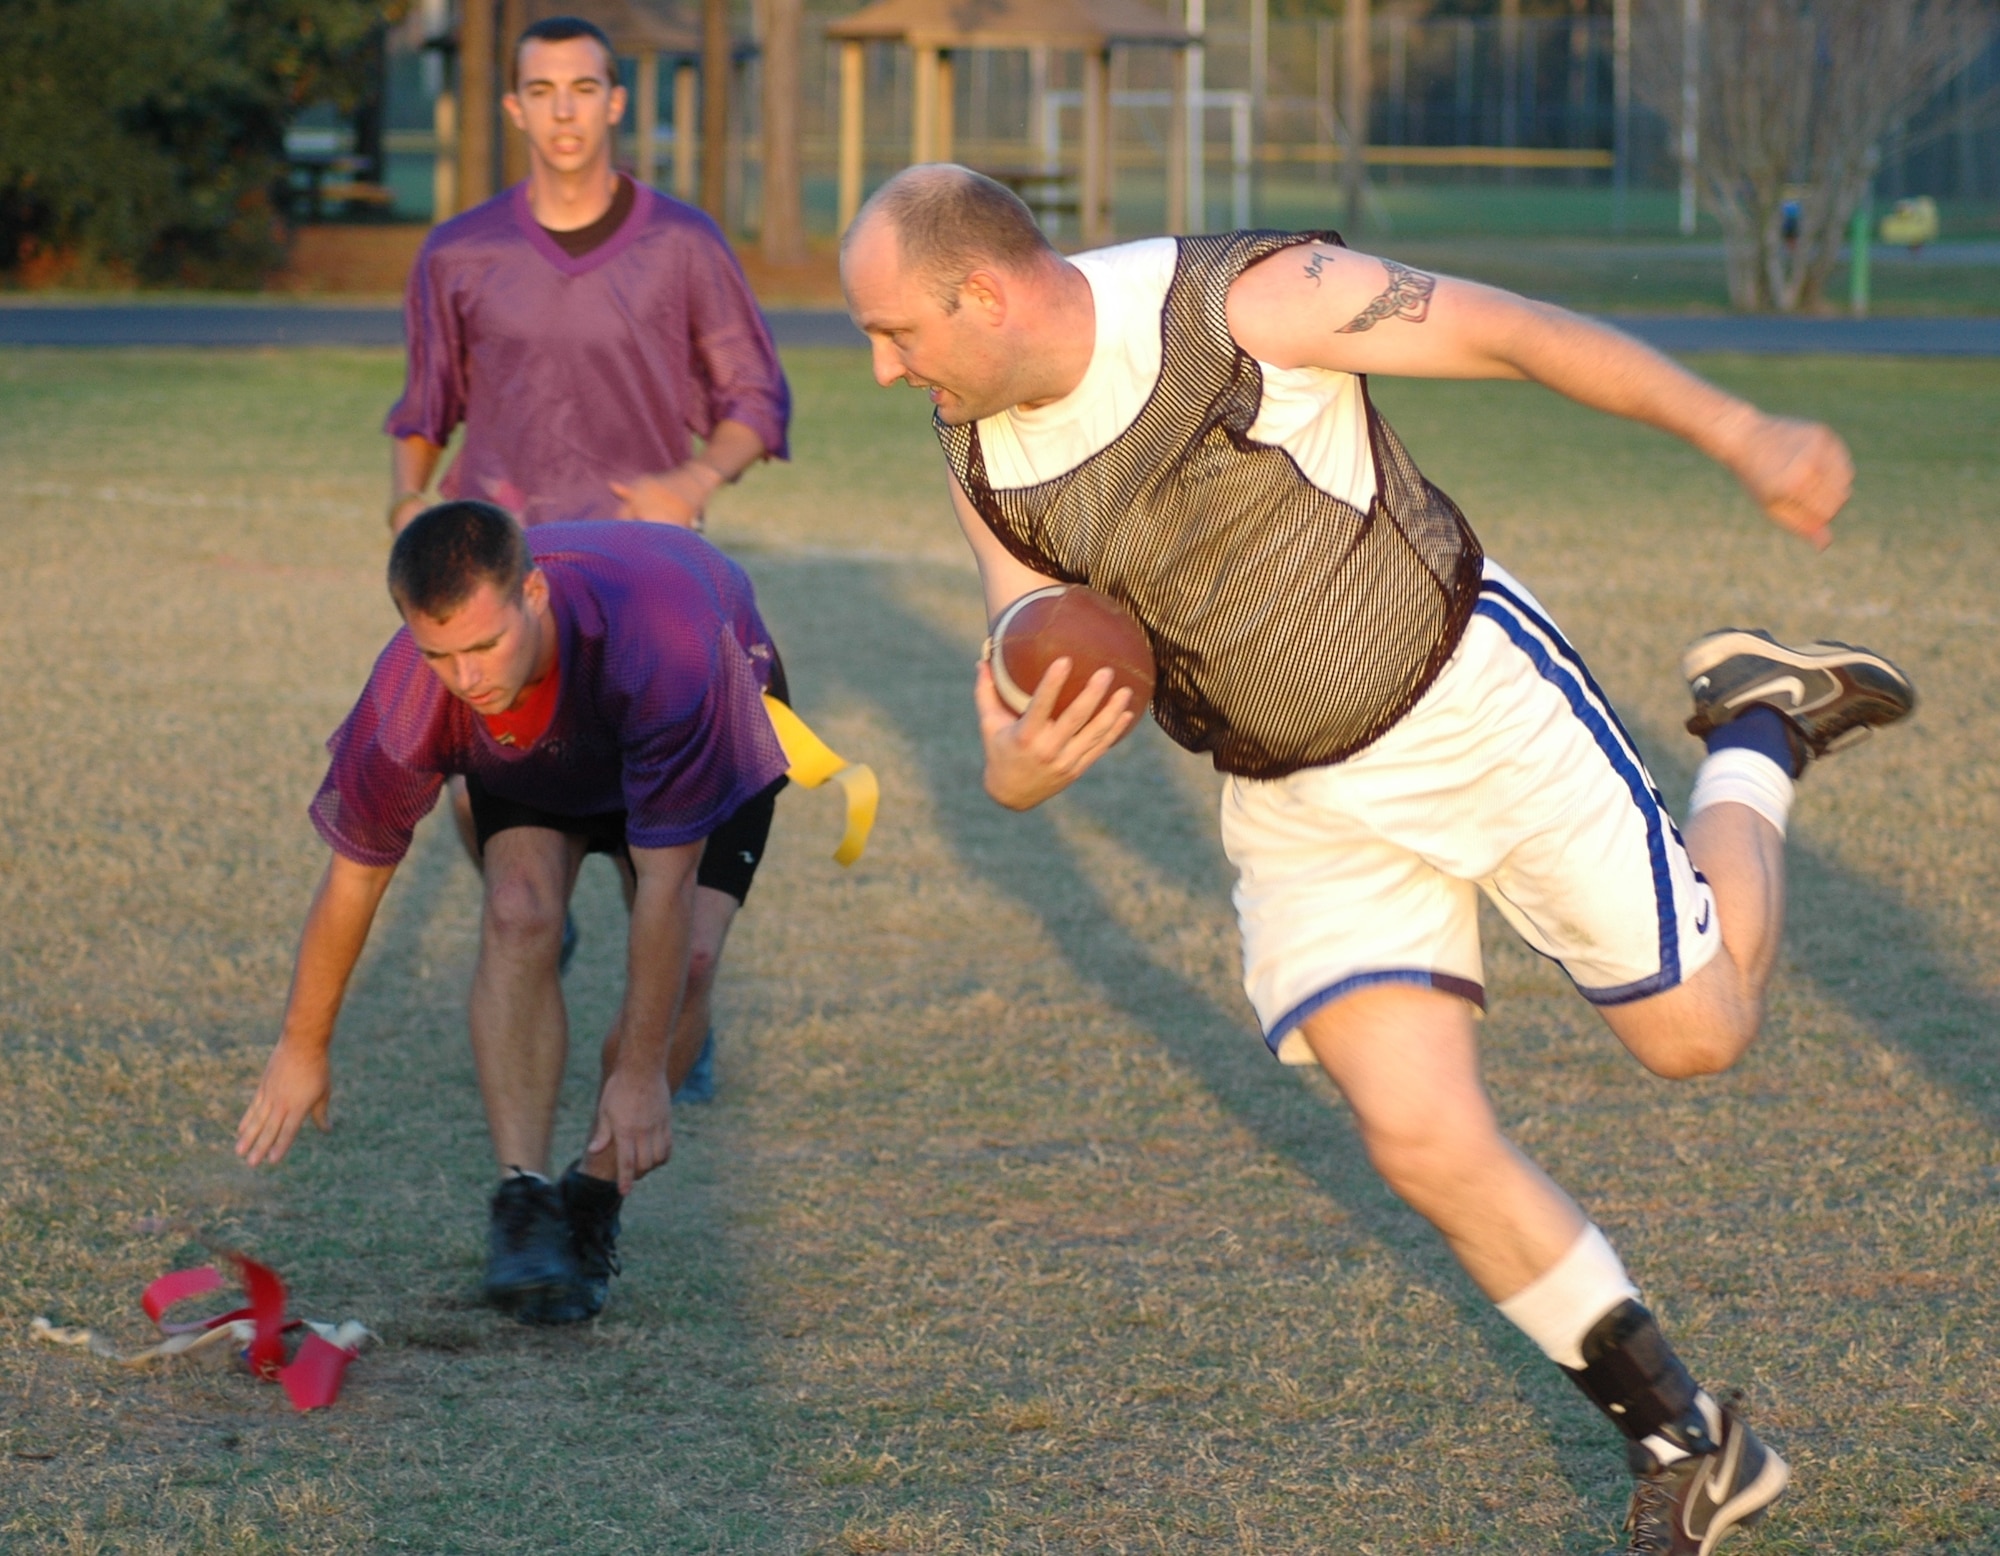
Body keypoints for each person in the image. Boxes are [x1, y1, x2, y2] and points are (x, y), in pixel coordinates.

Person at [839, 166, 1916, 1554]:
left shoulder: (1241, 304)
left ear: (977, 294)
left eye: (895, 332)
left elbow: (1511, 329)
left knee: (1700, 1037)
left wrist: (1741, 428)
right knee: (1418, 1134)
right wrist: (1014, 767)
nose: (881, 368)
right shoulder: (974, 440)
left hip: (1468, 709)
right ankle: (1690, 1443)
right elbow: (1025, 646)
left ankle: (1762, 726)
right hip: (1296, 804)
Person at [235, 502, 792, 1324]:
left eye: (485, 645)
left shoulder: (664, 650)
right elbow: (352, 880)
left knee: (694, 961)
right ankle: (525, 1204)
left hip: (707, 682)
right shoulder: (413, 695)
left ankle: (594, 1198)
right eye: (440, 654)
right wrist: (302, 1043)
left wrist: (640, 1076)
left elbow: (663, 889)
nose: (468, 678)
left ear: (534, 592)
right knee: (517, 908)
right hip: (548, 749)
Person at [385, 14, 793, 1100]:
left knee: (657, 836)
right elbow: (427, 401)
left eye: (584, 88)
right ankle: (542, 933)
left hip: (638, 593)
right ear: (513, 108)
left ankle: (667, 1019)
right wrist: (408, 494)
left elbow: (754, 397)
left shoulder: (684, 246)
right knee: (499, 820)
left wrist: (693, 483)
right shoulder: (458, 251)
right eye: (541, 90)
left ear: (617, 102)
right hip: (500, 596)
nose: (563, 109)